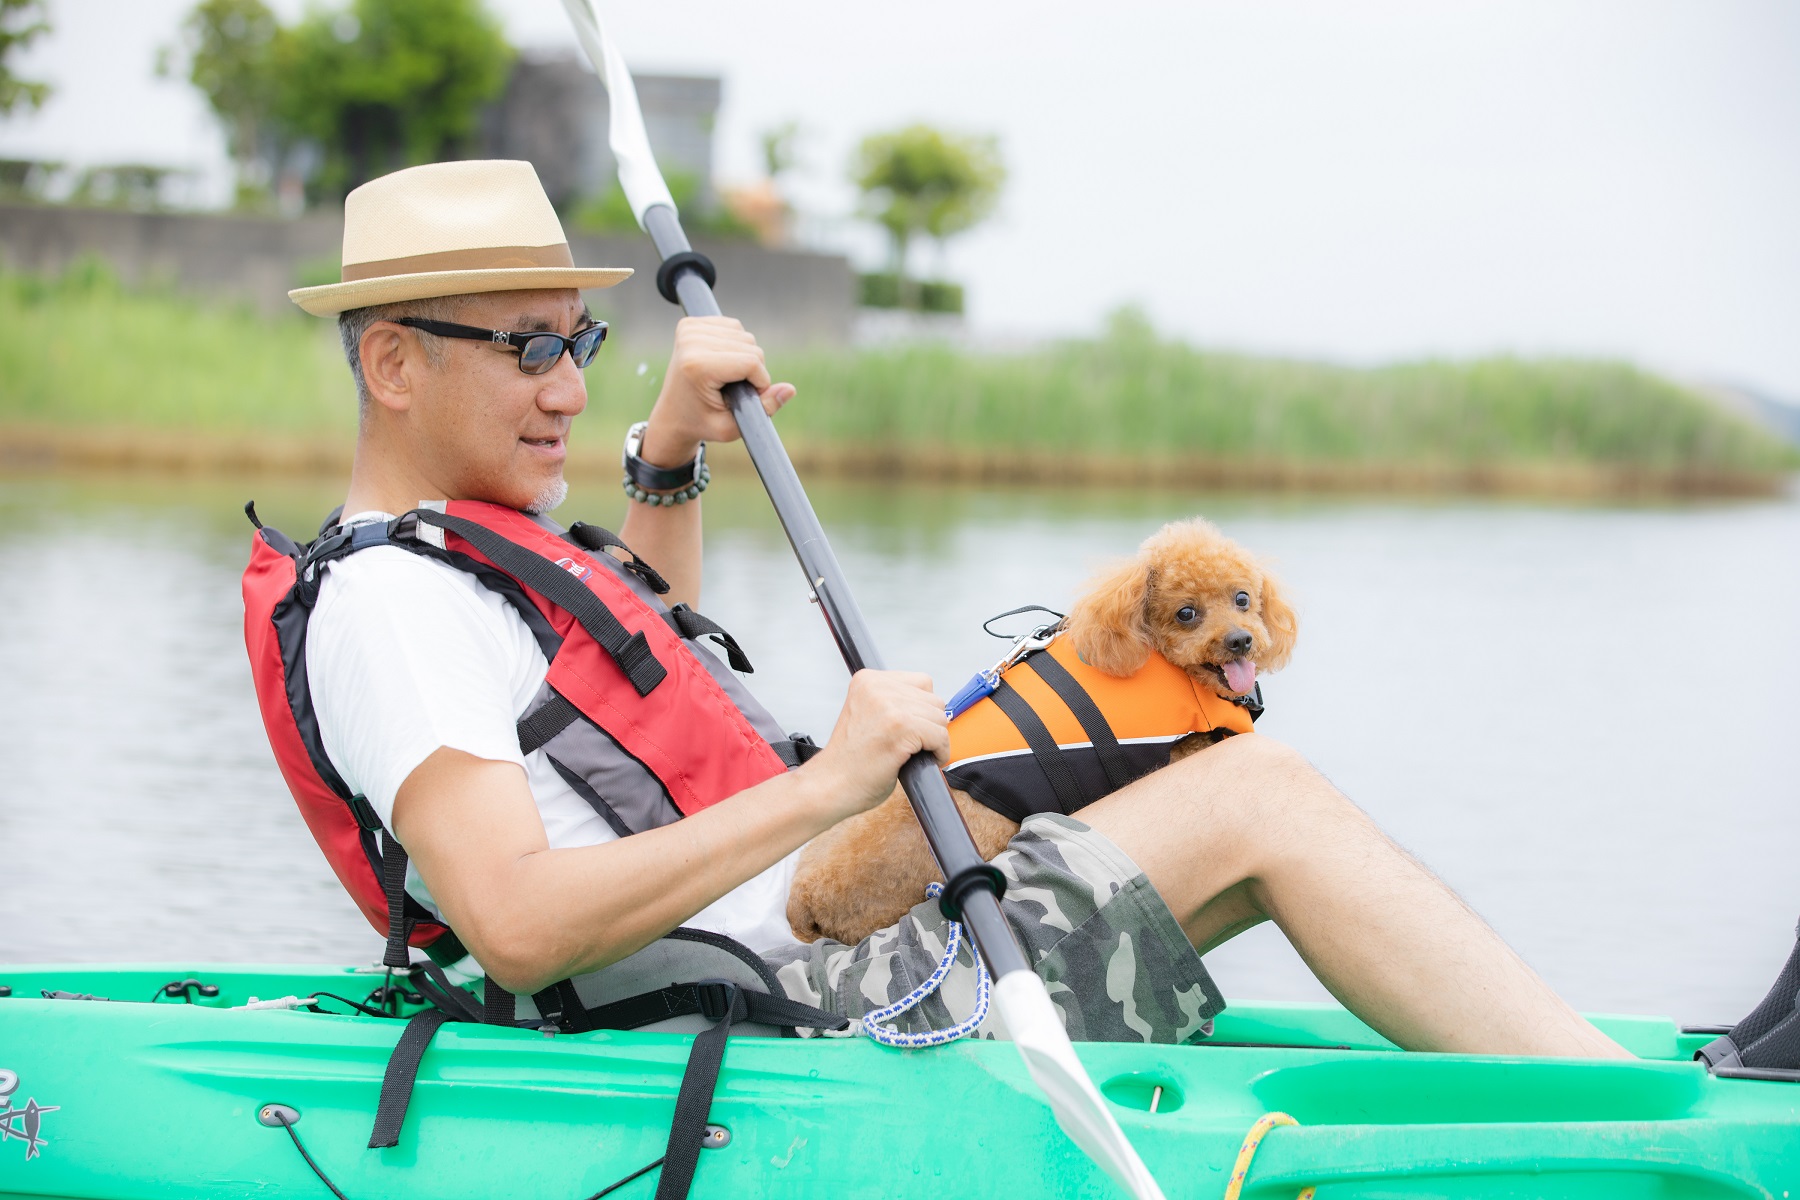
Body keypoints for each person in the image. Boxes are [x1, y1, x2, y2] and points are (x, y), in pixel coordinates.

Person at [277, 159, 1625, 1058]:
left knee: (1152, 735)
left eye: (575, 341)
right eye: (527, 347)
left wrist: (670, 458)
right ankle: (1628, 1112)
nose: (567, 385)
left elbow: (643, 673)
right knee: (1250, 798)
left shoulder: (463, 558)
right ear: (394, 363)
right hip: (786, 1021)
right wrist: (830, 790)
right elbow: (513, 922)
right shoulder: (392, 605)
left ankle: (1566, 1059)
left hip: (804, 946)